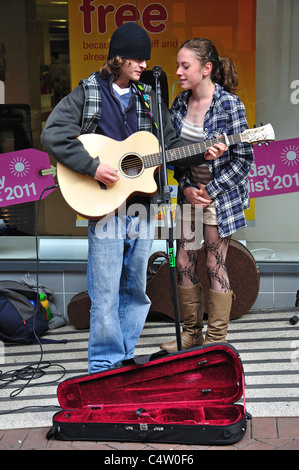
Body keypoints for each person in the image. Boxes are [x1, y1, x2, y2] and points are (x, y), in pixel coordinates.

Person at [41, 24, 226, 372]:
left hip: (142, 204)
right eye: (136, 59)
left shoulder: (150, 98)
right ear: (118, 58)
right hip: (106, 204)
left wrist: (203, 153)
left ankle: (124, 355)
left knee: (136, 287)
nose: (143, 65)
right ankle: (103, 362)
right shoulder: (89, 93)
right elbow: (52, 134)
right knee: (106, 289)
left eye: (145, 59)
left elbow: (170, 148)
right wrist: (92, 166)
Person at [161, 38, 254, 352]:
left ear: (207, 68)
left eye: (185, 66)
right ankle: (191, 334)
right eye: (178, 65)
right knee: (184, 260)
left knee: (215, 263)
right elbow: (173, 154)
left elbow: (244, 160)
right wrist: (185, 186)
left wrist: (210, 191)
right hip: (188, 194)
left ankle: (216, 341)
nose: (178, 72)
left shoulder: (229, 104)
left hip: (220, 198)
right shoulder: (178, 103)